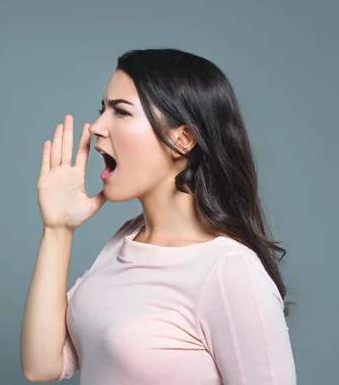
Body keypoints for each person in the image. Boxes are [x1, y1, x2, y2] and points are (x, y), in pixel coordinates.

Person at [20, 48, 297, 384]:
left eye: (121, 112)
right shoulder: (126, 240)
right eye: (102, 109)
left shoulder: (230, 271)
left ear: (182, 140)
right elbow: (43, 365)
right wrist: (58, 229)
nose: (96, 127)